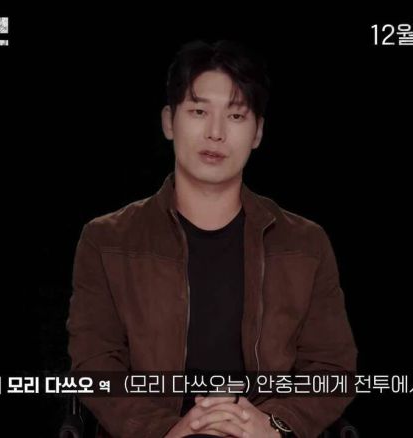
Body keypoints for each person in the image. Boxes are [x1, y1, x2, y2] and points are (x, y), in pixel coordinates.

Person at [67, 40, 357, 438]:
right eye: (199, 111)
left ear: (257, 132)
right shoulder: (106, 239)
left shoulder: (305, 243)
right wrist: (169, 431)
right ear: (169, 121)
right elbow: (95, 365)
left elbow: (333, 368)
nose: (216, 133)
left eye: (236, 116)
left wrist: (272, 425)